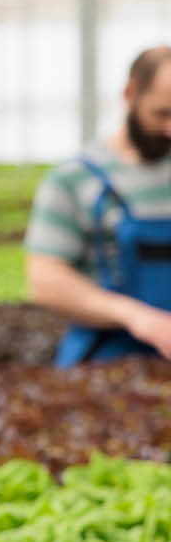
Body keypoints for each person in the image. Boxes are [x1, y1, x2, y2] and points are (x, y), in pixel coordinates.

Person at [26, 46, 171, 364]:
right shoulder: (74, 179)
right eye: (162, 113)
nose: (170, 129)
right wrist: (136, 317)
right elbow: (45, 279)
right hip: (107, 356)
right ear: (130, 94)